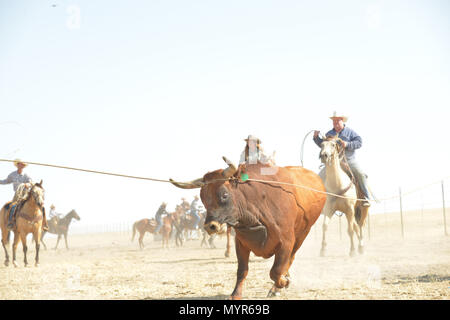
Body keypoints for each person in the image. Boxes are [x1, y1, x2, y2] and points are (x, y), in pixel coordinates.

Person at [313, 111, 371, 207]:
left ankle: (365, 197)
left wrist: (347, 144)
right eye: (334, 121)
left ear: (342, 121)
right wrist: (316, 138)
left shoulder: (350, 132)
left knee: (360, 174)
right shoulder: (329, 134)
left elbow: (359, 142)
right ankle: (317, 200)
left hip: (349, 161)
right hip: (333, 163)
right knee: (318, 178)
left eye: (337, 120)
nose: (335, 122)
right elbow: (324, 145)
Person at [0, 159, 49, 230]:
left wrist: (27, 184)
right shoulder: (12, 175)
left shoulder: (26, 175)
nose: (21, 165)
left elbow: (31, 182)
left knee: (41, 205)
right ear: (17, 165)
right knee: (13, 206)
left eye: (23, 164)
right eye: (20, 164)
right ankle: (11, 222)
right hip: (17, 194)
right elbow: (6, 181)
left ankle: (44, 223)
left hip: (26, 195)